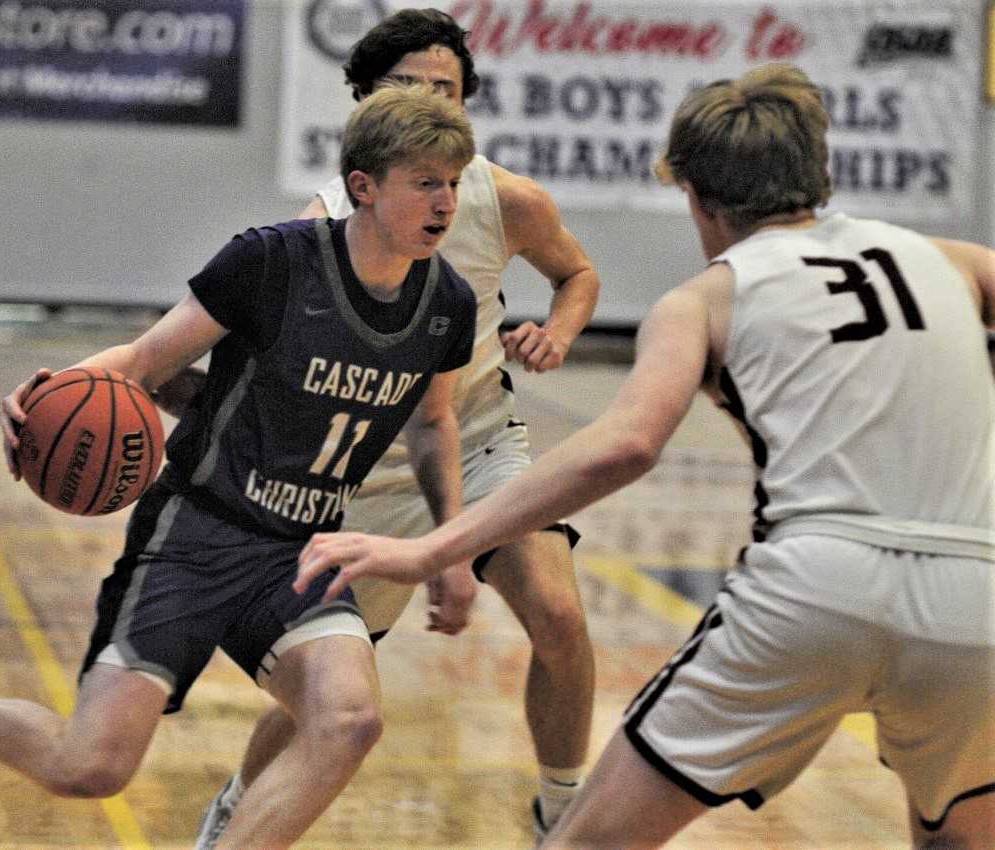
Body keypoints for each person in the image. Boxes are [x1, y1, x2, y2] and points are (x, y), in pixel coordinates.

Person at [296, 63, 995, 849]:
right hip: (976, 598)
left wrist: (434, 546)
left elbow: (624, 444)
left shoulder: (707, 296)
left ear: (696, 197)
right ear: (822, 170)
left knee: (587, 841)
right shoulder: (956, 263)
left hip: (814, 591)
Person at [0, 84, 480, 850]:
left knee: (349, 721)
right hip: (196, 534)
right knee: (89, 768)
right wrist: (51, 390)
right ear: (363, 187)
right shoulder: (272, 262)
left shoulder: (447, 301)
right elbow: (146, 363)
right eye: (426, 182)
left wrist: (449, 551)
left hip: (300, 553)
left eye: (453, 181)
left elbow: (433, 419)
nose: (446, 201)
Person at [192, 11, 601, 846]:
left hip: (477, 441)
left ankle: (564, 813)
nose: (426, 101)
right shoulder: (319, 228)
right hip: (359, 473)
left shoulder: (505, 200)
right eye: (406, 86)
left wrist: (557, 331)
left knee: (557, 613)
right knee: (328, 692)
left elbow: (578, 272)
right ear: (365, 109)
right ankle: (241, 801)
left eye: (443, 89)